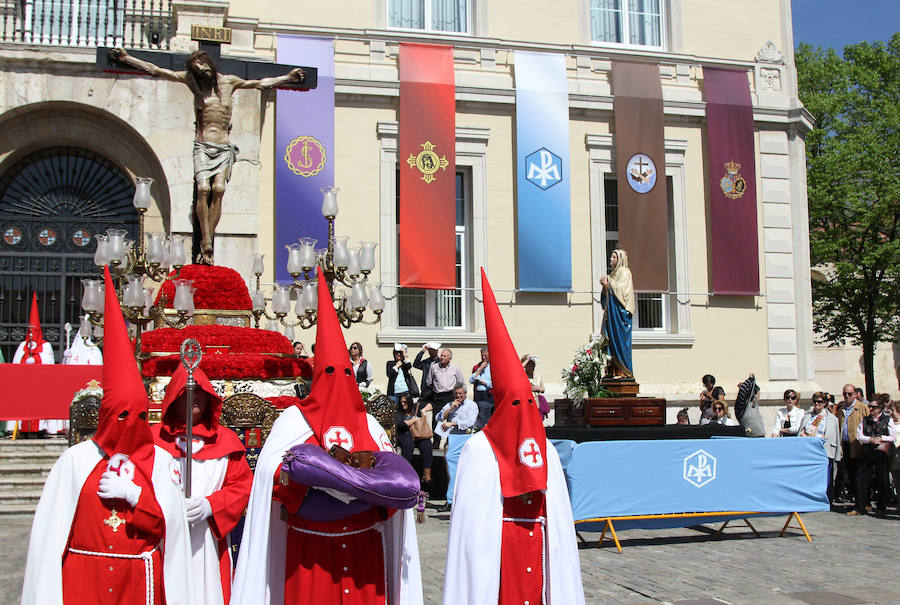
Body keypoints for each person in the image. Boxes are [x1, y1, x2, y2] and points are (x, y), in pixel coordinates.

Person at [231, 267, 422, 605]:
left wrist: (356, 491)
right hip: (309, 551)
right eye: (330, 371)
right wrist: (323, 483)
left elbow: (397, 480)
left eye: (346, 372)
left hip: (365, 552)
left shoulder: (370, 425)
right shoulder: (294, 420)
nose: (339, 379)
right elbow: (269, 475)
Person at [21, 267, 192, 605]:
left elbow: (169, 530)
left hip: (138, 584)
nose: (131, 424)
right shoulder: (77, 460)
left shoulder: (159, 462)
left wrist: (136, 497)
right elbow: (50, 535)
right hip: (84, 583)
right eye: (122, 416)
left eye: (140, 416)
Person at [443, 269, 585, 605]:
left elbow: (560, 521)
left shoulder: (545, 448)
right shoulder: (480, 449)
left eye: (527, 401)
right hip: (500, 554)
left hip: (540, 548)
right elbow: (473, 531)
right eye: (515, 403)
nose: (523, 411)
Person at [109, 47, 305, 264]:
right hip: (202, 146)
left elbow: (260, 83)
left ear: (210, 65)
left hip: (223, 147)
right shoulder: (193, 83)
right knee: (203, 189)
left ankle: (208, 238)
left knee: (218, 190)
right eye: (198, 71)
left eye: (205, 69)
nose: (203, 74)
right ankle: (206, 241)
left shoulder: (229, 82)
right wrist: (127, 59)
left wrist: (288, 77)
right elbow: (157, 70)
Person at [151, 364, 253, 604]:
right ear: (174, 395)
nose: (194, 396)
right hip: (163, 533)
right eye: (187, 391)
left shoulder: (226, 440)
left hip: (208, 536)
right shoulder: (153, 439)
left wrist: (211, 505)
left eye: (199, 391)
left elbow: (242, 486)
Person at [10, 293, 57, 436]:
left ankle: (39, 430)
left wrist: (36, 360)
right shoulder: (23, 345)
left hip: (40, 383)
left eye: (34, 331)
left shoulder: (46, 346)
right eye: (30, 331)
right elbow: (16, 363)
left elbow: (49, 363)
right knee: (23, 406)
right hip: (24, 384)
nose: (32, 334)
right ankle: (23, 430)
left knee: (39, 406)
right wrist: (26, 360)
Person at [434, 385, 478, 513]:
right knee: (451, 471)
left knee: (465, 471)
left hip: (465, 437)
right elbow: (439, 417)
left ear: (465, 393)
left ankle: (463, 499)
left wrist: (453, 423)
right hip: (452, 438)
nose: (458, 396)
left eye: (460, 394)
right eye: (456, 394)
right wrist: (450, 409)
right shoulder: (450, 404)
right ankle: (451, 499)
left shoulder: (472, 405)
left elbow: (470, 421)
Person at [850, 395, 895, 517]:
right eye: (870, 407)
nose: (871, 409)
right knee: (861, 479)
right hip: (868, 451)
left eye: (873, 407)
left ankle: (881, 507)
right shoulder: (865, 419)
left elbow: (893, 437)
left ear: (880, 408)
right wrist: (870, 440)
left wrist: (881, 438)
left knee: (882, 480)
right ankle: (860, 506)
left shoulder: (887, 420)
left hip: (881, 452)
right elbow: (859, 435)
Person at [799, 392, 841, 506]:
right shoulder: (808, 416)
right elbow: (801, 432)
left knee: (826, 477)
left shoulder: (831, 418)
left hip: (824, 450)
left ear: (825, 403)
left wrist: (837, 454)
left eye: (820, 402)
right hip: (808, 451)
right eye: (815, 402)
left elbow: (835, 436)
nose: (817, 404)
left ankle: (826, 500)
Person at [599, 248, 634, 379]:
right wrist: (605, 287)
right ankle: (612, 371)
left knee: (619, 342)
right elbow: (608, 295)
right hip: (612, 315)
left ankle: (623, 372)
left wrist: (608, 285)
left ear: (620, 259)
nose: (611, 259)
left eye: (614, 257)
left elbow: (623, 293)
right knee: (612, 343)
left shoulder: (624, 272)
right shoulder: (614, 274)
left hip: (620, 317)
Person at [834, 383, 870, 503]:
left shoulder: (862, 407)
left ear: (855, 394)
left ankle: (864, 502)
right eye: (845, 394)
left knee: (859, 475)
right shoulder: (841, 409)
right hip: (846, 445)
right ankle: (856, 500)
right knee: (848, 475)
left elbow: (868, 426)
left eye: (849, 394)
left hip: (858, 445)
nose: (847, 396)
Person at [425, 348, 465, 447]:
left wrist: (458, 397)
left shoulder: (455, 369)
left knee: (451, 418)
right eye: (441, 355)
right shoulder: (434, 367)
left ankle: (449, 442)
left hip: (450, 396)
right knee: (437, 419)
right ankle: (436, 442)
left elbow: (460, 382)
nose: (441, 357)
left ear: (449, 359)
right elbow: (429, 381)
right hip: (438, 396)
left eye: (444, 356)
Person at [396, 392, 433, 487]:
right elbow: (401, 425)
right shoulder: (398, 412)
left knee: (426, 444)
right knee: (408, 444)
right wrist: (414, 420)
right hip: (404, 434)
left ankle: (427, 474)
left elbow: (432, 404)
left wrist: (424, 410)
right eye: (401, 402)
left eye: (405, 402)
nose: (403, 404)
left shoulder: (416, 407)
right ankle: (407, 474)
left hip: (417, 435)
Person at [469, 347, 493, 429]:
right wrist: (480, 369)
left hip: (489, 396)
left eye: (486, 356)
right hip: (478, 395)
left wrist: (486, 383)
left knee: (487, 419)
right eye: (482, 356)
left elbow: (497, 383)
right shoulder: (477, 367)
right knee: (478, 418)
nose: (483, 358)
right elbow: (471, 380)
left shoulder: (494, 367)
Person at [520, 354, 548, 420]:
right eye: (530, 364)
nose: (533, 366)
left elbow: (543, 389)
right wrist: (528, 359)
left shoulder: (538, 376)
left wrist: (538, 389)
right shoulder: (522, 375)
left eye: (533, 364)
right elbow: (518, 369)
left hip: (536, 404)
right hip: (525, 405)